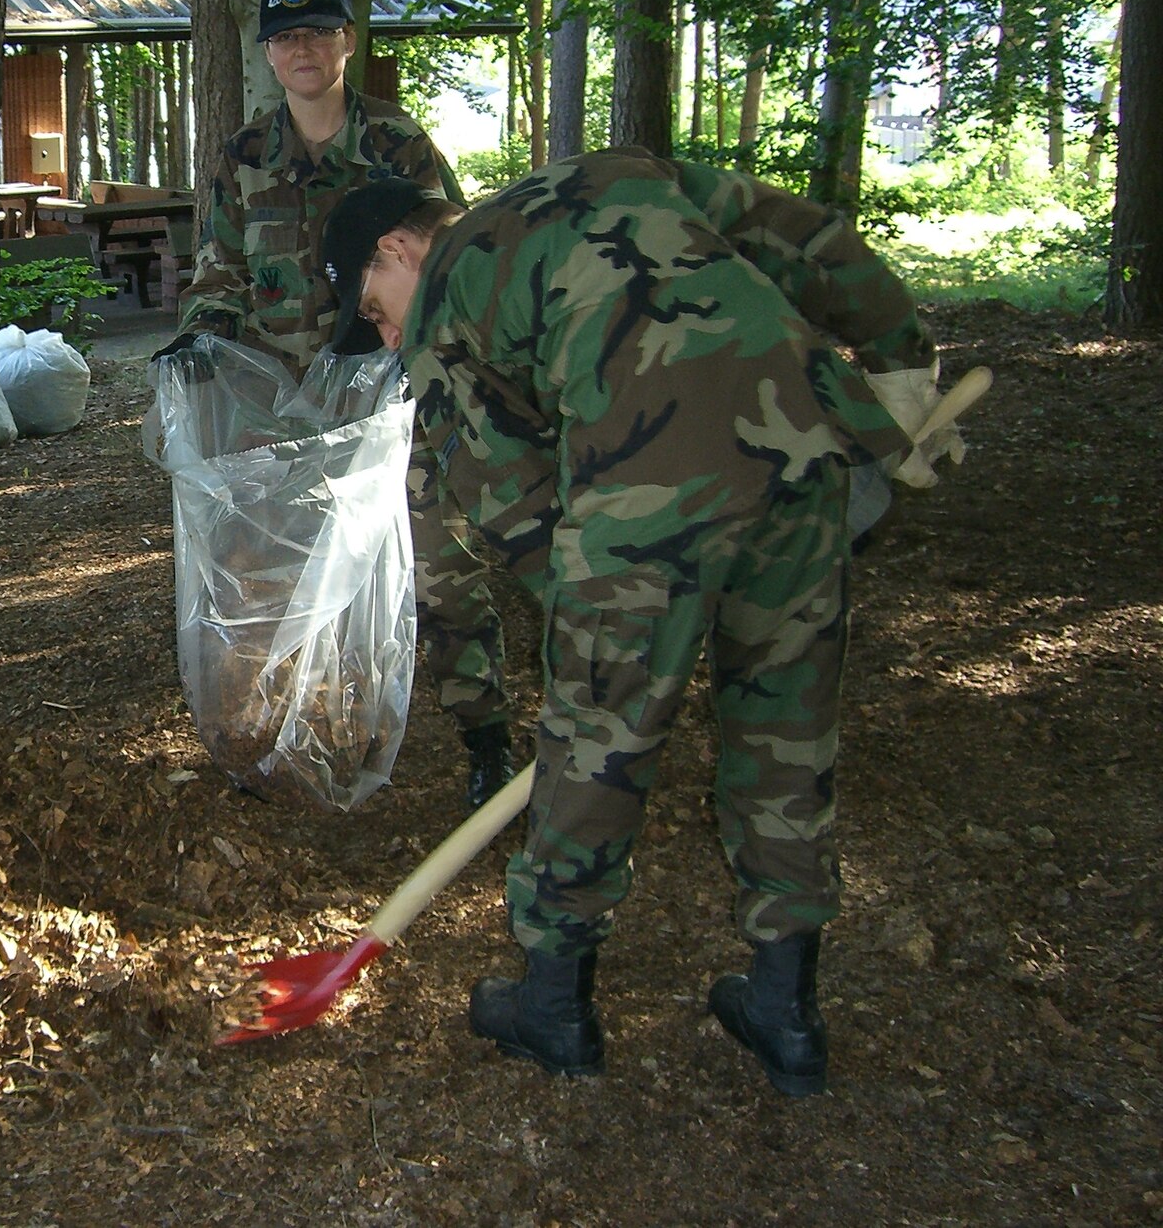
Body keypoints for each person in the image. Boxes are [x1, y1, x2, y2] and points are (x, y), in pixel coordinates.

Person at [318, 149, 963, 1097]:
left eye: (372, 308)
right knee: (787, 729)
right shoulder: (617, 174)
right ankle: (787, 1012)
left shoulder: (445, 314)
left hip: (645, 509)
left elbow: (514, 505)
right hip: (808, 452)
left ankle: (553, 1005)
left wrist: (613, 633)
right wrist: (905, 363)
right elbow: (809, 246)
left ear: (401, 244)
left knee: (594, 749)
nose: (383, 338)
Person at [154, 0, 519, 803]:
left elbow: (445, 262)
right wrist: (203, 345)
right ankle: (283, 731)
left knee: (436, 561)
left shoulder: (398, 145)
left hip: (391, 396)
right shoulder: (245, 155)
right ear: (270, 57)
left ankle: (485, 734)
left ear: (348, 41)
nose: (304, 50)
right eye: (287, 38)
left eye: (320, 32)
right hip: (278, 407)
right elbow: (218, 269)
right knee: (264, 573)